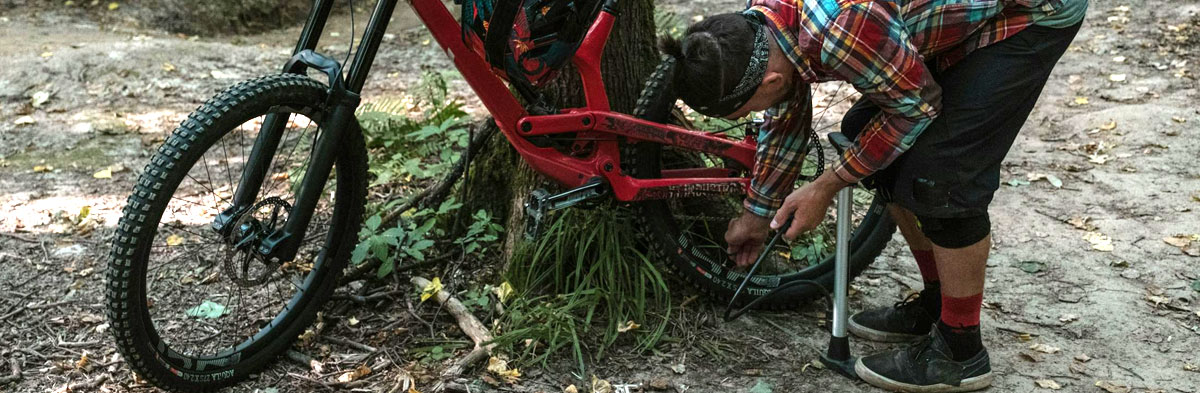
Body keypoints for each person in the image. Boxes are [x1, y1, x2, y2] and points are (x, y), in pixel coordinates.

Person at [659, 0, 1087, 391]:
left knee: (942, 177)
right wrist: (757, 212)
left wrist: (827, 185)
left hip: (1029, 14)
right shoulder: (762, 24)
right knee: (868, 143)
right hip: (944, 18)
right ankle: (938, 305)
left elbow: (916, 106)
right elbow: (786, 115)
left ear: (770, 79)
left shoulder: (843, 27)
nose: (757, 116)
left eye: (749, 110)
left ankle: (960, 350)